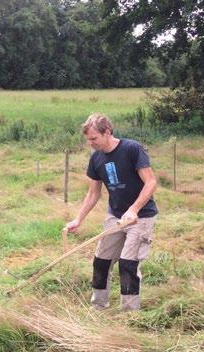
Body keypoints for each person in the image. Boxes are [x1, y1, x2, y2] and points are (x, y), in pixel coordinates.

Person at [65, 113, 158, 311]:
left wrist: (134, 209)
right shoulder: (96, 158)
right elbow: (93, 193)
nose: (90, 143)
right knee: (101, 262)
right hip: (115, 216)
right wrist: (78, 219)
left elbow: (151, 182)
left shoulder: (132, 149)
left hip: (140, 217)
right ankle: (98, 306)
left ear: (107, 132)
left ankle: (130, 313)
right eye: (88, 139)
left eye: (94, 138)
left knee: (127, 264)